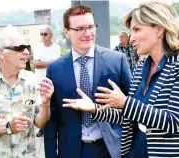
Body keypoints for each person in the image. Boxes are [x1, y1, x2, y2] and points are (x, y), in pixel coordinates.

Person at [62, 2, 179, 157]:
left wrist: (124, 102)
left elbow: (173, 121)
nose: (131, 38)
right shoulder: (141, 67)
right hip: (139, 150)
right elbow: (131, 114)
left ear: (159, 29)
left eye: (137, 29)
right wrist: (95, 109)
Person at [44, 5, 131, 158]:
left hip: (109, 148)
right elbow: (52, 118)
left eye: (91, 27)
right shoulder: (55, 69)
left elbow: (132, 106)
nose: (88, 33)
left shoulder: (117, 61)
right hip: (71, 150)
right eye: (80, 29)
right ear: (67, 32)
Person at [0, 27, 54, 158]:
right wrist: (8, 128)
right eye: (20, 48)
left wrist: (46, 103)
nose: (26, 52)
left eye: (27, 48)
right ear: (2, 53)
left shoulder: (32, 80)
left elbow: (39, 123)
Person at [32, 25, 61, 137]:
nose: (43, 36)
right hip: (40, 81)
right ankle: (42, 128)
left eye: (45, 34)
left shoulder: (57, 48)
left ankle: (55, 127)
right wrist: (50, 63)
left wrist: (43, 63)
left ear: (51, 35)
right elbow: (36, 64)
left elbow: (56, 65)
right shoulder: (37, 47)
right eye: (41, 34)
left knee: (54, 104)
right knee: (41, 104)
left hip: (54, 80)